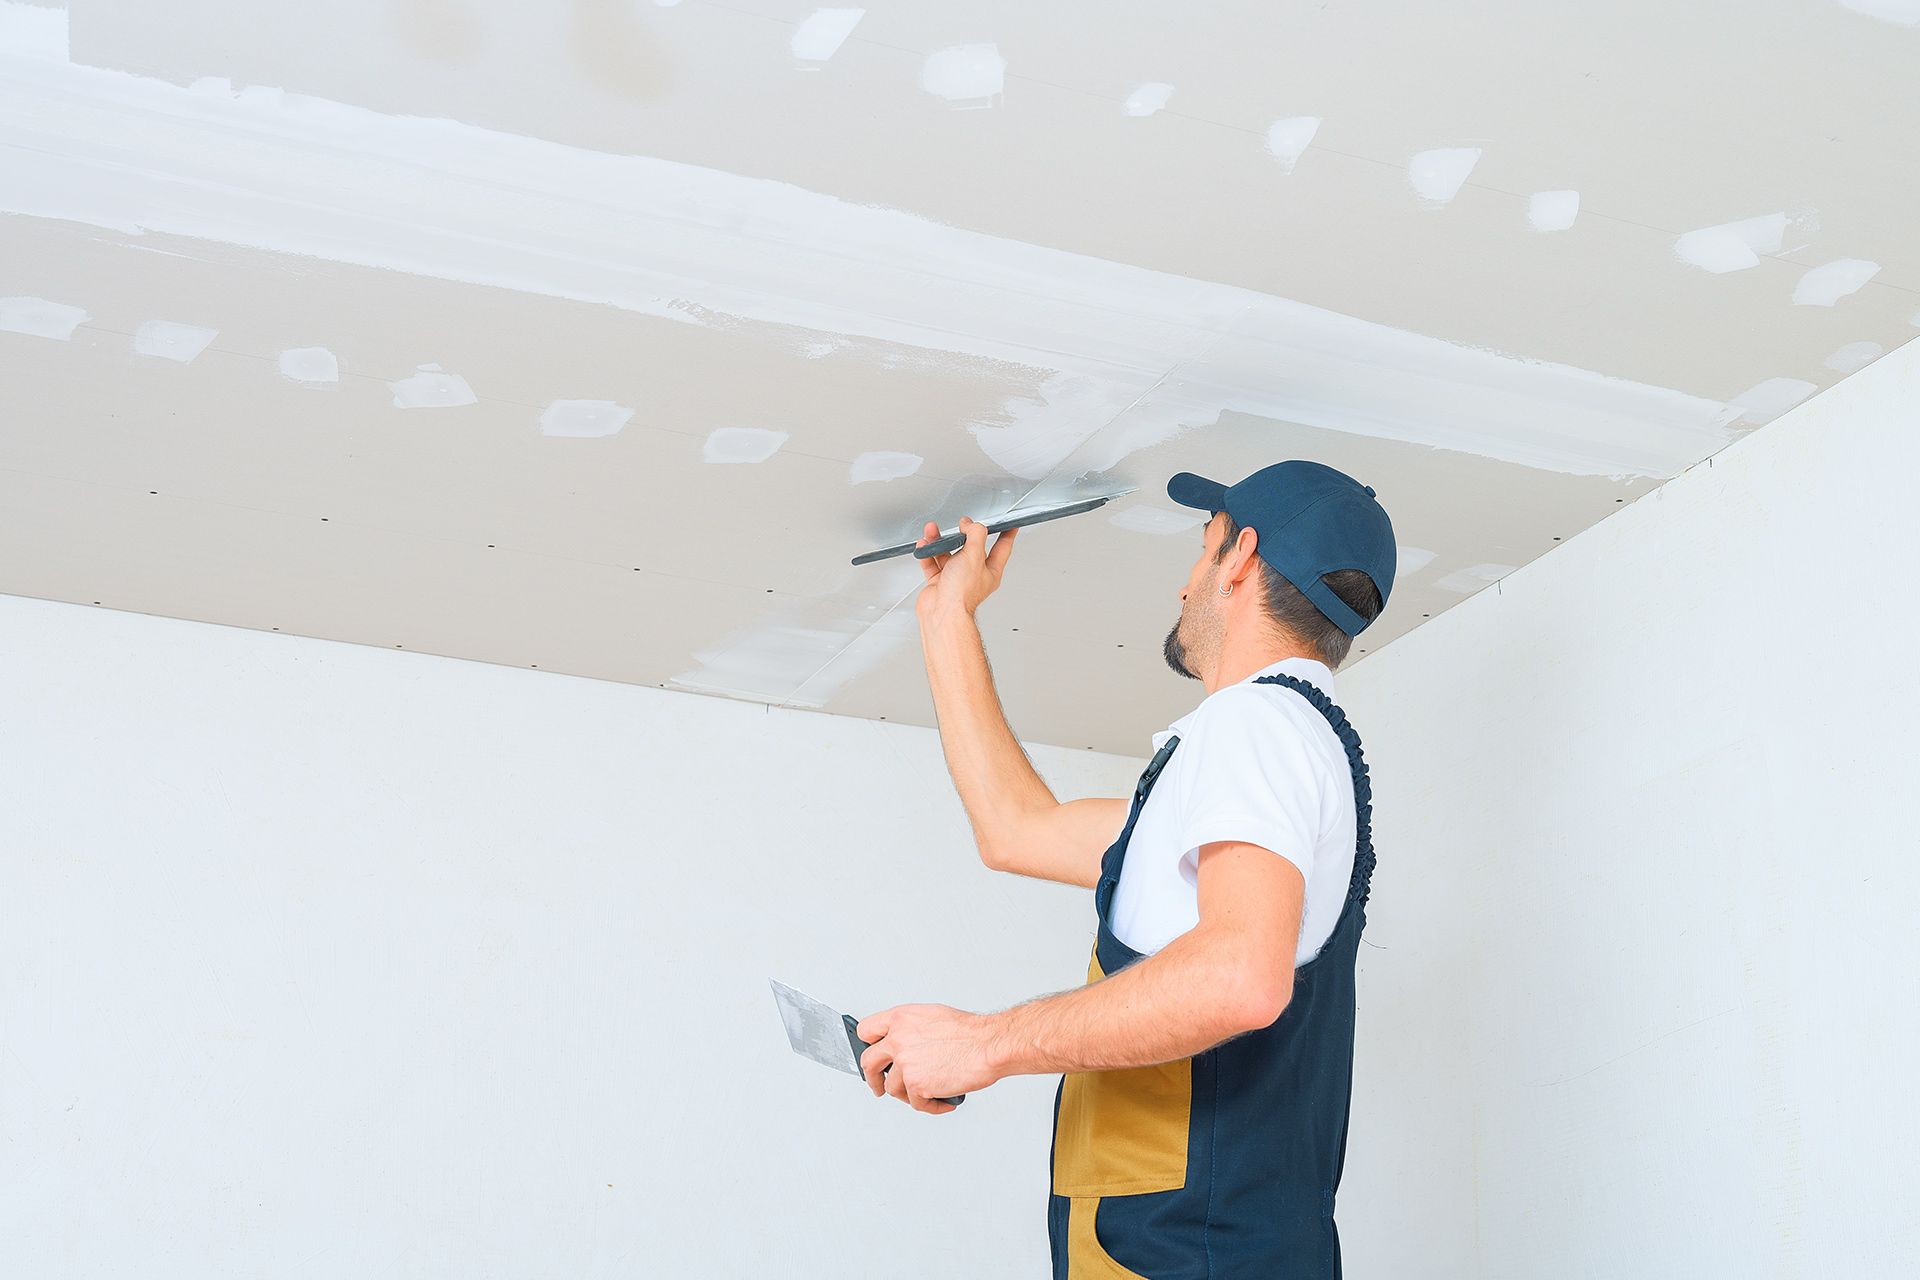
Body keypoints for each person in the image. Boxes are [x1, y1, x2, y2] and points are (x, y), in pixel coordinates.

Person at [856, 461, 1396, 1277]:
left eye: (1202, 548)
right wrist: (946, 615)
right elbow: (1017, 830)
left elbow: (1239, 981)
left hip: (1189, 1255)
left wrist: (986, 1045)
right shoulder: (1271, 755)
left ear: (1241, 558)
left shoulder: (1256, 726)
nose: (1185, 587)